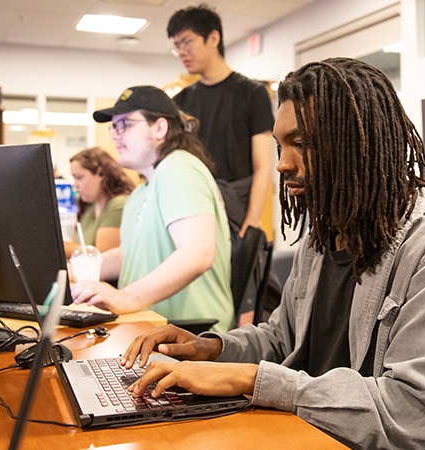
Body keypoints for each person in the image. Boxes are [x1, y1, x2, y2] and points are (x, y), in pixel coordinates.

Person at [119, 58, 425, 449]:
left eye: (303, 143)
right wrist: (214, 348)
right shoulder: (325, 234)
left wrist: (249, 378)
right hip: (308, 431)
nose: (281, 163)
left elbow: (412, 412)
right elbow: (284, 337)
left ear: (360, 140)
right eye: (280, 145)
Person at [71, 85, 234, 332]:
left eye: (125, 124)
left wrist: (126, 297)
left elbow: (198, 253)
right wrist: (71, 272)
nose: (115, 135)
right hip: (150, 330)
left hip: (190, 335)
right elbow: (127, 255)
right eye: (114, 127)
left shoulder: (179, 167)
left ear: (159, 128)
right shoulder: (140, 192)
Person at [167, 3, 274, 236]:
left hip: (238, 209)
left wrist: (251, 224)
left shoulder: (252, 93)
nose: (182, 51)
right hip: (193, 206)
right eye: (176, 46)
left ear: (213, 38)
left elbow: (263, 166)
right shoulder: (181, 101)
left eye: (187, 41)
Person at [64, 147, 135, 258]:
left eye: (79, 177)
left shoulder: (118, 205)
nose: (75, 185)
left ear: (100, 173)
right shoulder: (90, 207)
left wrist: (64, 249)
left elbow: (102, 256)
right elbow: (75, 243)